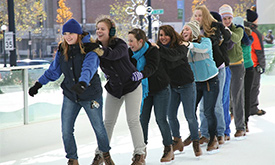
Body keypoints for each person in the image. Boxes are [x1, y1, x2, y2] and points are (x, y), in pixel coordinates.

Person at [28, 19, 114, 165]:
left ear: (79, 34)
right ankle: (72, 160)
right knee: (66, 129)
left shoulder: (90, 48)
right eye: (65, 34)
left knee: (98, 127)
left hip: (90, 95)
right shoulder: (63, 49)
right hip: (71, 94)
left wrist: (82, 83)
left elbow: (89, 68)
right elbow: (54, 71)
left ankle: (105, 154)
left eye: (71, 33)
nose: (68, 37)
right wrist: (38, 84)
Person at [92, 16, 146, 165]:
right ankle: (100, 154)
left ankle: (139, 154)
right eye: (97, 29)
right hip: (114, 89)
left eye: (102, 28)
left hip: (131, 86)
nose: (99, 31)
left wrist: (98, 50)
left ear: (111, 31)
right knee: (108, 123)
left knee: (133, 120)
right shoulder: (95, 47)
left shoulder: (120, 44)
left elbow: (114, 55)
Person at [152, 25, 202, 157]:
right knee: (171, 115)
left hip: (187, 85)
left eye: (165, 35)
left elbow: (172, 57)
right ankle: (177, 140)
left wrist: (159, 49)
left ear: (171, 35)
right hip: (172, 86)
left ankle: (196, 141)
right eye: (160, 35)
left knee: (190, 115)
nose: (162, 38)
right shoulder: (159, 49)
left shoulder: (181, 46)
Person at [128, 28, 174, 162]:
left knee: (160, 119)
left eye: (132, 41)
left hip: (160, 88)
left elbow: (152, 67)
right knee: (142, 120)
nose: (129, 44)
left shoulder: (153, 50)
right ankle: (141, 151)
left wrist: (141, 74)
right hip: (143, 91)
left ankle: (168, 148)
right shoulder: (129, 53)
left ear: (140, 41)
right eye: (128, 41)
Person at [190, 5, 231, 145]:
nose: (197, 18)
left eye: (200, 15)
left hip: (217, 68)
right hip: (202, 72)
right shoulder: (193, 31)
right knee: (203, 106)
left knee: (216, 104)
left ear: (205, 16)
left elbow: (225, 38)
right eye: (195, 15)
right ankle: (206, 133)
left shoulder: (215, 29)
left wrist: (219, 28)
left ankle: (220, 133)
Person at [181, 20, 220, 153]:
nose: (184, 32)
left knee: (208, 111)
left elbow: (202, 49)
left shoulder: (205, 41)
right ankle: (195, 134)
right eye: (183, 30)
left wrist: (189, 45)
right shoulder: (184, 46)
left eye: (187, 29)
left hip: (210, 80)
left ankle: (213, 138)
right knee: (190, 111)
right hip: (195, 82)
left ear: (194, 31)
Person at [219, 4, 246, 139]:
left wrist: (225, 31)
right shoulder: (217, 30)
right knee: (225, 98)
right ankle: (224, 129)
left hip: (237, 66)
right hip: (224, 67)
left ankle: (241, 127)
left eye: (229, 18)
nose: (227, 21)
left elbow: (235, 38)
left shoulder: (238, 29)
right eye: (224, 18)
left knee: (236, 96)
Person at [233, 16, 254, 132]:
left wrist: (241, 29)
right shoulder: (234, 36)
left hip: (248, 68)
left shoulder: (248, 36)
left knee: (246, 94)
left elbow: (247, 41)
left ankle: (245, 121)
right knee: (236, 95)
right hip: (236, 68)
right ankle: (238, 118)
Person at [245, 6, 266, 117]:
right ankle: (252, 108)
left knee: (246, 87)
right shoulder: (255, 32)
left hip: (245, 63)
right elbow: (259, 50)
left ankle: (246, 108)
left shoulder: (245, 30)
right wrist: (262, 65)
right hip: (254, 64)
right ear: (254, 20)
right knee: (254, 87)